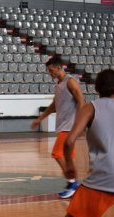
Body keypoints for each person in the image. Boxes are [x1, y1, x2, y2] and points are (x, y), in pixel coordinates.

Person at [55, 69, 114, 217]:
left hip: (102, 179)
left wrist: (70, 166)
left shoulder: (90, 108)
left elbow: (70, 140)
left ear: (96, 88)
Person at [31, 55, 85, 199]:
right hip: (63, 126)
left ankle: (73, 183)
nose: (50, 73)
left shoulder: (70, 82)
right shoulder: (58, 85)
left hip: (70, 127)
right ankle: (73, 183)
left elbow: (81, 101)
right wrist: (40, 118)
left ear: (59, 68)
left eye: (51, 70)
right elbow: (54, 105)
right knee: (68, 158)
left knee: (57, 154)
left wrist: (79, 123)